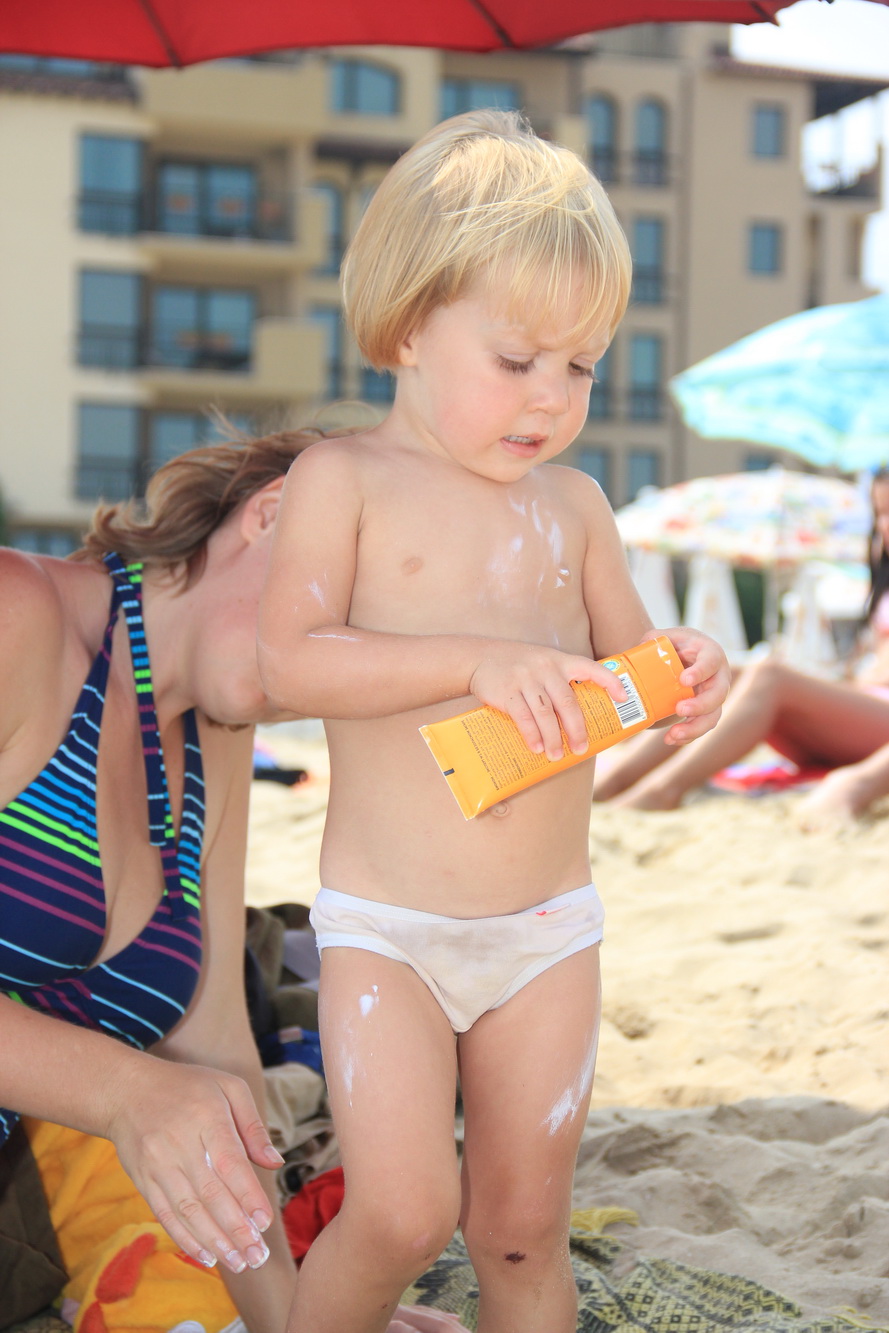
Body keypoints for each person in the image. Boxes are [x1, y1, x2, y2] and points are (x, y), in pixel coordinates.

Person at [257, 110, 730, 1333]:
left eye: (581, 367)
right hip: (390, 932)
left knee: (521, 1230)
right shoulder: (343, 481)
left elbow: (629, 676)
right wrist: (473, 662)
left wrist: (684, 676)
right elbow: (288, 659)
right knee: (402, 1214)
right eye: (517, 359)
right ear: (410, 327)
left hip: (545, 930)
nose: (551, 398)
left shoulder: (574, 508)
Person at [0, 430, 465, 1333]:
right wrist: (120, 1089)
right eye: (349, 625)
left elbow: (213, 1051)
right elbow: (148, 1087)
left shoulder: (210, 739)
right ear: (276, 514)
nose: (332, 679)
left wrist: (299, 1315)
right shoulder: (20, 617)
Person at [594, 469, 889, 826]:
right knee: (724, 674)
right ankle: (616, 780)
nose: (885, 526)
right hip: (865, 708)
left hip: (878, 729)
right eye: (880, 514)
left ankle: (662, 789)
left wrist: (860, 784)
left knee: (769, 676)